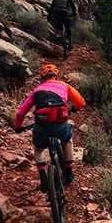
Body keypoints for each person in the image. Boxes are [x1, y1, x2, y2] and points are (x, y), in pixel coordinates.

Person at [14, 64, 86, 192]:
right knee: (68, 140)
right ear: (56, 75)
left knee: (39, 149)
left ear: (42, 77)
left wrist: (18, 127)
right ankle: (68, 172)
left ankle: (43, 177)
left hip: (42, 125)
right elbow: (81, 102)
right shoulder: (64, 85)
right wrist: (73, 109)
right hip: (59, 123)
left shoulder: (36, 90)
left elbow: (20, 113)